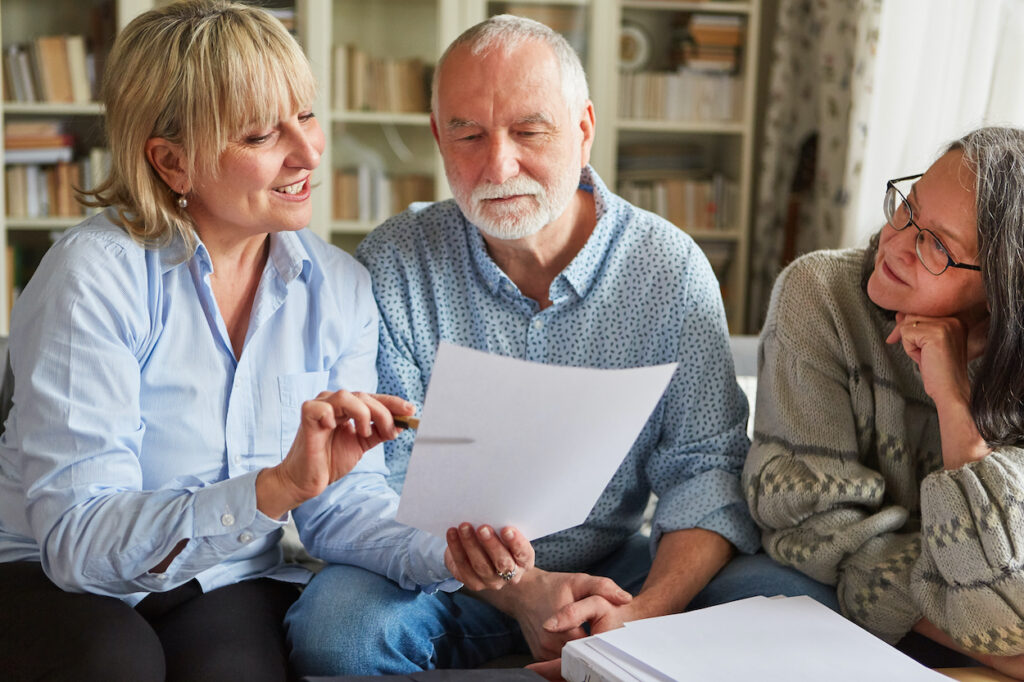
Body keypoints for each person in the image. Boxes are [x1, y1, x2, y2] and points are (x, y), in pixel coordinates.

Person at [285, 14, 837, 679]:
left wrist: (649, 610)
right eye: (468, 134)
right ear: (437, 136)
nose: (499, 164)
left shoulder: (667, 268)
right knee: (337, 632)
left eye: (529, 132)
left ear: (584, 129)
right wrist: (523, 593)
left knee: (798, 603)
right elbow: (384, 481)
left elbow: (704, 466)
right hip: (447, 574)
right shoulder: (396, 264)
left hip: (614, 560)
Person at [0, 3, 528, 681]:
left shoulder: (338, 288)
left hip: (219, 575)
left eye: (305, 116)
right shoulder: (93, 276)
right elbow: (78, 545)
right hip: (47, 575)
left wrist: (446, 553)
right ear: (172, 162)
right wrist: (272, 489)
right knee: (115, 661)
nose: (308, 153)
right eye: (259, 135)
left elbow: (341, 509)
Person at [743, 126, 1024, 678]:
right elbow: (815, 531)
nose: (895, 244)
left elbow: (1005, 592)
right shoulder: (821, 293)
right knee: (759, 603)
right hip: (832, 585)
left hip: (969, 610)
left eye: (937, 246)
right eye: (908, 209)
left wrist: (953, 405)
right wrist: (995, 647)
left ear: (1002, 290)